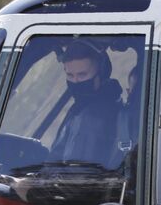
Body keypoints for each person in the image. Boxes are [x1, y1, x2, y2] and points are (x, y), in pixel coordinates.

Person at [46, 38, 124, 166]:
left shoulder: (96, 115)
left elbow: (75, 177)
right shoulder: (82, 107)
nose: (75, 81)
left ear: (102, 73)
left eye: (82, 75)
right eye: (70, 75)